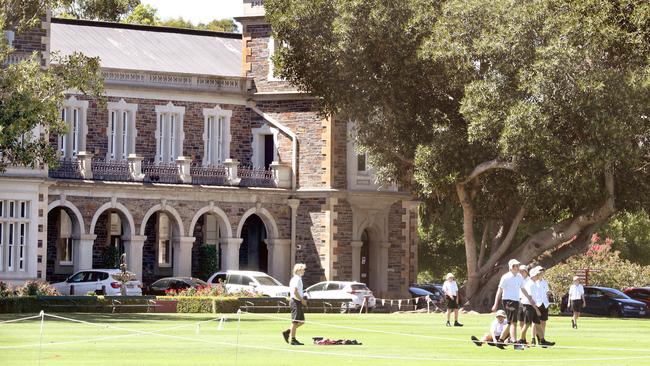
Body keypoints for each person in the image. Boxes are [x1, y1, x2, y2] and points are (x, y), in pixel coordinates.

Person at [491, 259, 536, 346]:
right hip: (508, 301)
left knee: (509, 322)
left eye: (518, 265)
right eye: (516, 265)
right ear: (511, 267)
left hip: (516, 301)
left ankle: (500, 341)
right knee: (513, 322)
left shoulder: (519, 277)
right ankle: (515, 342)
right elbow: (499, 290)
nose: (518, 267)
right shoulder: (505, 277)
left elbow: (522, 289)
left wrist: (529, 298)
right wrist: (495, 303)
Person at [527, 266, 554, 347]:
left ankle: (542, 339)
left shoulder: (545, 282)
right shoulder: (534, 282)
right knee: (535, 322)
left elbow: (547, 292)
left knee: (543, 322)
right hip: (537, 303)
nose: (541, 272)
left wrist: (549, 295)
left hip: (544, 303)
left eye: (543, 270)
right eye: (540, 271)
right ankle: (533, 339)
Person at [282, 263, 307, 345]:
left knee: (302, 321)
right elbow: (295, 292)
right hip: (295, 301)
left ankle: (288, 332)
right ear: (298, 270)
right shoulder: (297, 279)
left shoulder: (297, 278)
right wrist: (302, 300)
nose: (304, 271)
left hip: (297, 301)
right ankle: (293, 339)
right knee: (295, 321)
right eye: (303, 269)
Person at [518, 265, 542, 345]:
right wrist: (537, 310)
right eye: (537, 275)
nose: (539, 276)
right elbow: (531, 299)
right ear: (533, 276)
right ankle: (521, 340)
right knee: (527, 324)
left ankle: (542, 340)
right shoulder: (531, 284)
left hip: (531, 306)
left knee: (537, 323)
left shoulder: (533, 283)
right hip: (528, 306)